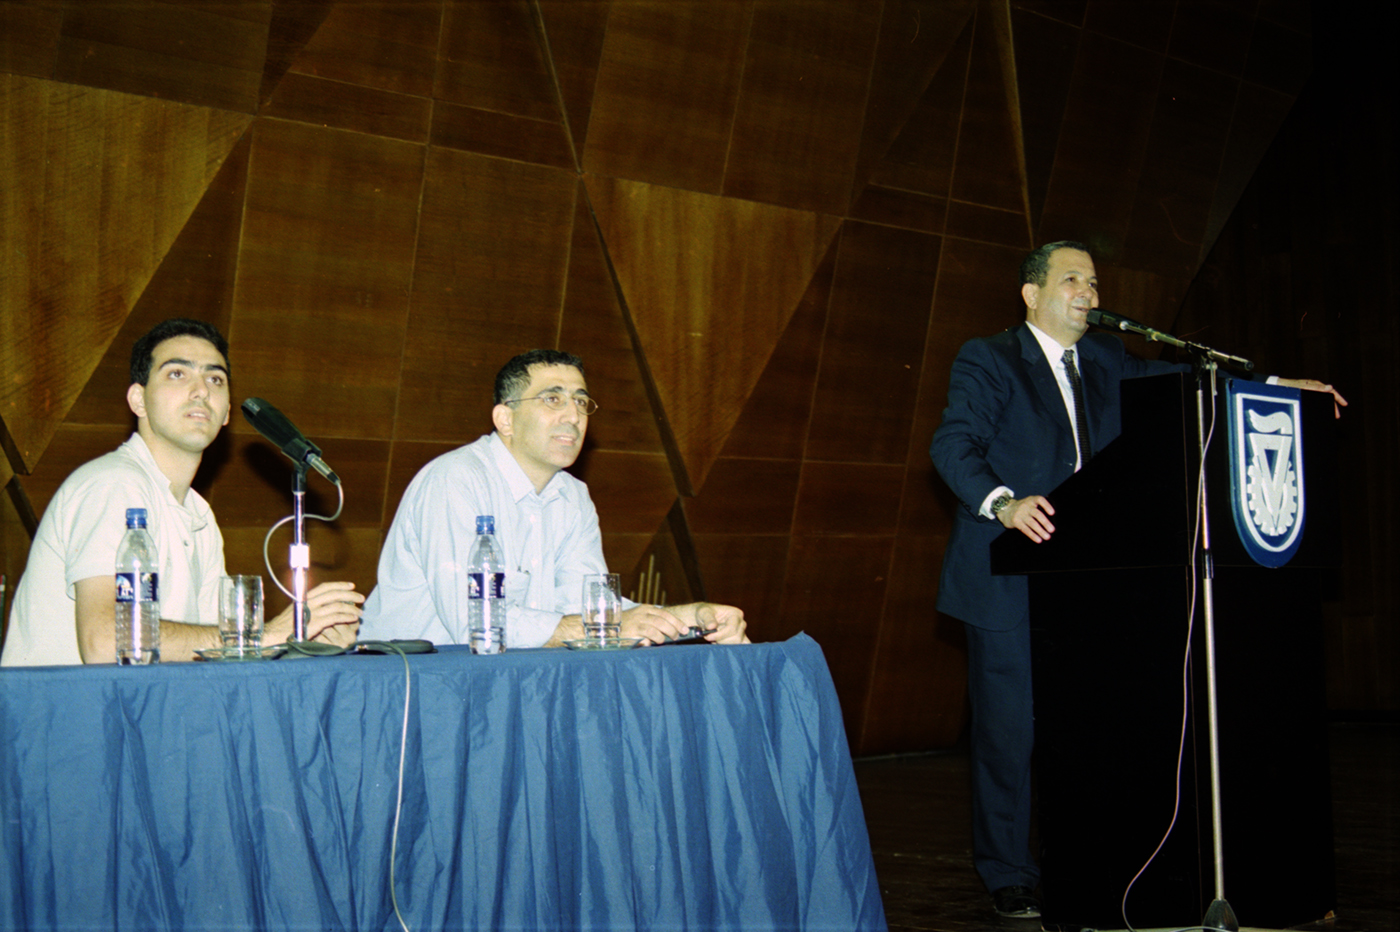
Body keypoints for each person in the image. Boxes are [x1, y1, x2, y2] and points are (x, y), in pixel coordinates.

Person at [928, 241, 1345, 919]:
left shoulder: (1106, 358)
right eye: (1072, 280)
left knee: (1092, 728)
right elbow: (952, 444)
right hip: (1007, 580)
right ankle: (1008, 872)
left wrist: (1276, 387)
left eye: (1094, 283)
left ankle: (1089, 862)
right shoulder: (991, 357)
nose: (1088, 294)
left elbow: (1190, 381)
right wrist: (1004, 503)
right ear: (1032, 294)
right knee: (1011, 737)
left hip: (1089, 584)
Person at [0, 318, 363, 667]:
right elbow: (107, 641)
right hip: (63, 710)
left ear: (226, 414)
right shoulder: (114, 483)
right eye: (177, 373)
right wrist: (264, 635)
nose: (201, 390)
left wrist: (301, 646)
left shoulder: (199, 515)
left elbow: (214, 654)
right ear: (138, 400)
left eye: (215, 379)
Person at [359, 349, 748, 649]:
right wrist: (602, 628)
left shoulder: (572, 496)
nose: (573, 416)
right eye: (552, 399)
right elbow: (474, 622)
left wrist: (694, 617)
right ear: (505, 419)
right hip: (410, 684)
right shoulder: (455, 480)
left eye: (580, 401)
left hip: (507, 680)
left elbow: (586, 607)